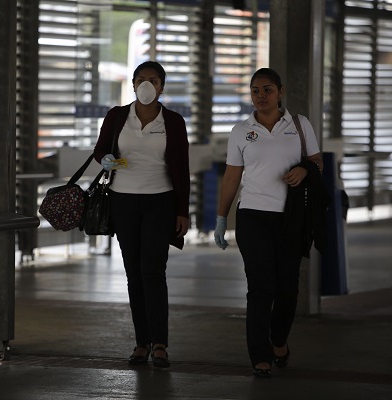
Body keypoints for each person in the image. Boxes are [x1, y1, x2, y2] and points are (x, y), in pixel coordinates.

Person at [213, 67, 324, 378]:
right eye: (255, 91)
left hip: (291, 217)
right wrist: (222, 217)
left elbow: (317, 162)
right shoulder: (241, 130)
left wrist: (304, 170)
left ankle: (278, 340)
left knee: (287, 289)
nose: (260, 96)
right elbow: (232, 176)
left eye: (267, 90)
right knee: (260, 287)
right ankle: (260, 356)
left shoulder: (300, 125)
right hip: (253, 216)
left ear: (280, 92)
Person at [93, 60, 191, 368]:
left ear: (161, 87)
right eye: (141, 79)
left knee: (153, 270)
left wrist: (182, 211)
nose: (146, 84)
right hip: (123, 201)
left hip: (160, 201)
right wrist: (107, 159)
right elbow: (99, 150)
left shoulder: (173, 121)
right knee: (134, 273)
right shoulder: (118, 116)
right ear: (133, 84)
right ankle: (141, 342)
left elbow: (182, 169)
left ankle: (160, 342)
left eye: (153, 79)